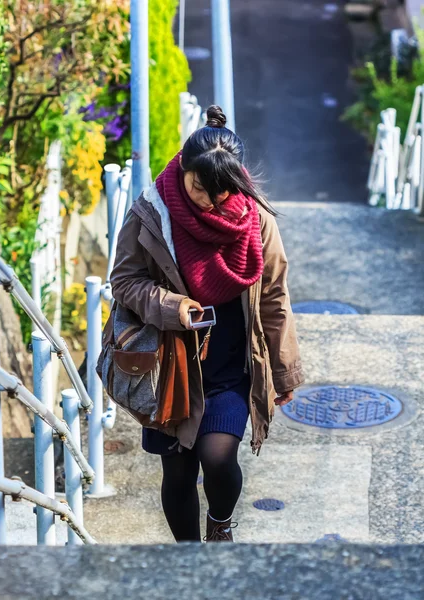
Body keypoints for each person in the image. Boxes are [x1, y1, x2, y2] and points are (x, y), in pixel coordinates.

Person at [110, 105, 304, 543]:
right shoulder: (151, 212)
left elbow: (273, 294)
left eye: (220, 193)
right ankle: (189, 559)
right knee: (177, 471)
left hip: (231, 364)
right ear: (184, 168)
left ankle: (219, 522)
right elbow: (123, 280)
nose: (210, 202)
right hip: (170, 364)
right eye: (200, 188)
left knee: (218, 458)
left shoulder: (255, 218)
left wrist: (283, 368)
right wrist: (169, 305)